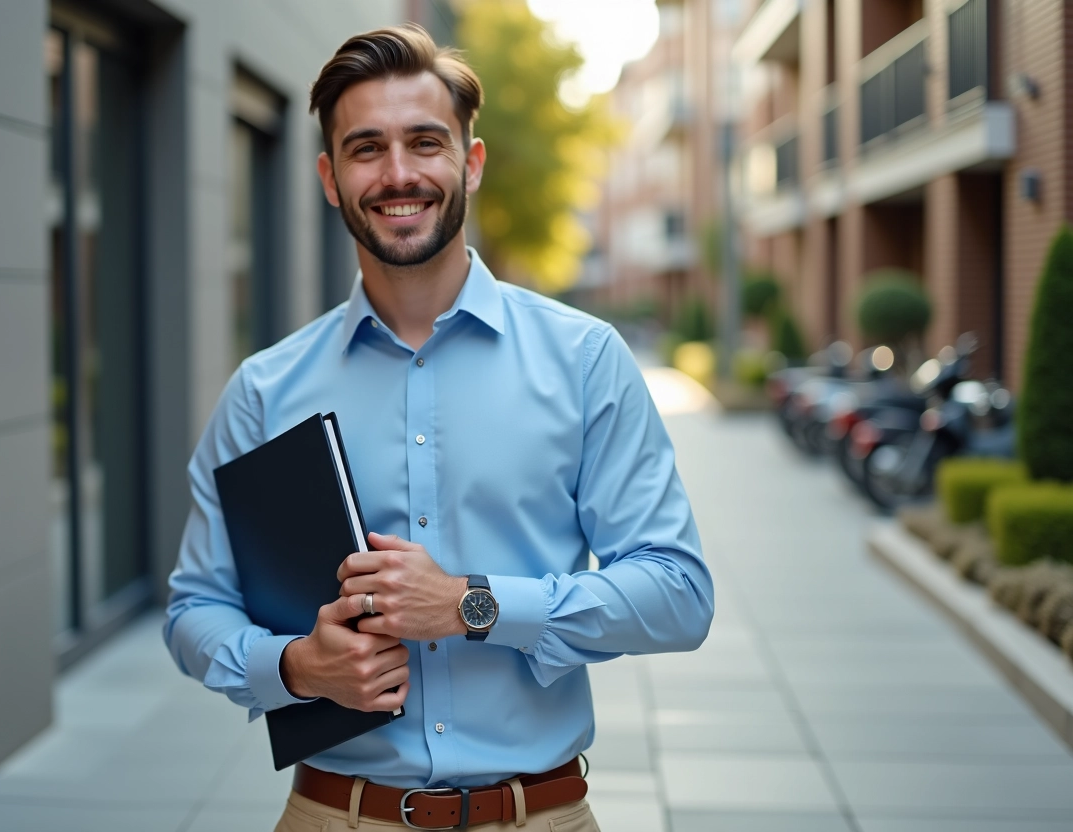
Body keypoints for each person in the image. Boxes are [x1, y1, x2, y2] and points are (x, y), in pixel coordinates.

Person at [163, 24, 714, 832]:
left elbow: (677, 592)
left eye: (426, 142)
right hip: (335, 814)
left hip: (538, 815)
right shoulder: (266, 390)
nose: (398, 174)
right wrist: (294, 666)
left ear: (472, 162)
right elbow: (194, 609)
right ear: (328, 176)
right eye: (365, 148)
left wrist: (473, 604)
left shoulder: (585, 359)